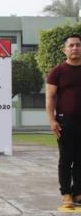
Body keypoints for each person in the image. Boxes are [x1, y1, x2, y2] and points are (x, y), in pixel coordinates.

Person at [46, 33, 81, 208]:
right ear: (64, 49)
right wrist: (52, 120)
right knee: (66, 159)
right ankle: (66, 193)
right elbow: (50, 98)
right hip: (65, 122)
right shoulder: (57, 72)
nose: (75, 48)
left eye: (78, 45)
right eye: (71, 45)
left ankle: (78, 192)